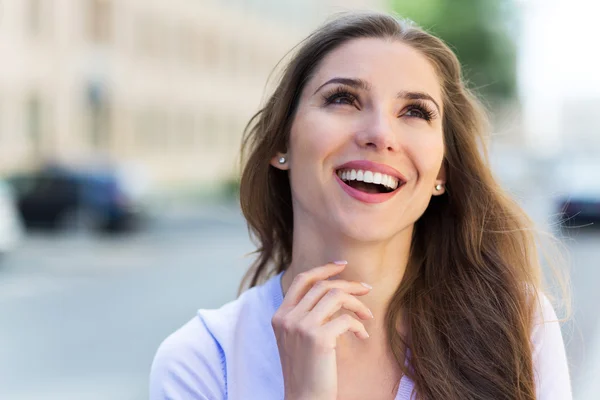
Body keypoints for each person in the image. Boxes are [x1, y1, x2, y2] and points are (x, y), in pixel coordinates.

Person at [149, 11, 571, 400]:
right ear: (282, 143)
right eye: (343, 99)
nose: (379, 133)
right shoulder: (204, 361)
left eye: (415, 111)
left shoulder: (519, 324)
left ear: (441, 171)